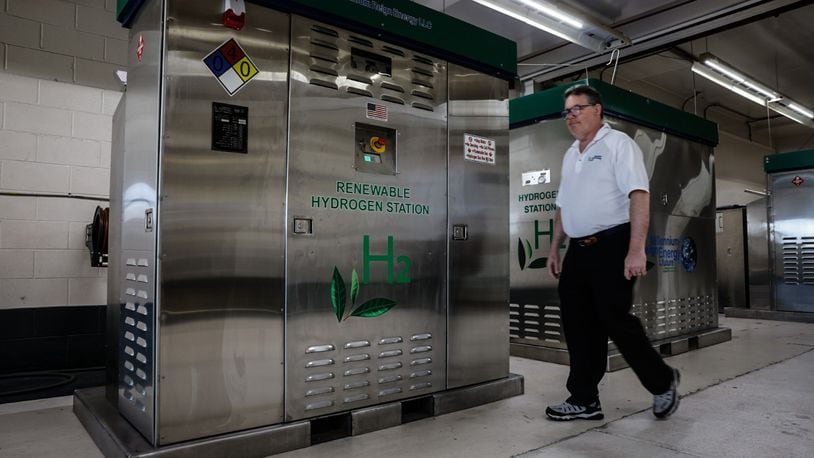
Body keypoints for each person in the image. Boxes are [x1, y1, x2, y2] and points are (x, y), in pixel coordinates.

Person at [545, 84, 680, 421]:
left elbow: (639, 195)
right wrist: (554, 247)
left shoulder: (620, 145)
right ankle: (584, 399)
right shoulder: (570, 153)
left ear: (597, 110)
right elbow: (563, 205)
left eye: (578, 108)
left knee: (614, 319)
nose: (571, 116)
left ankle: (662, 381)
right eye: (567, 111)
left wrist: (636, 250)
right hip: (578, 249)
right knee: (577, 324)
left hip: (613, 245)